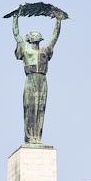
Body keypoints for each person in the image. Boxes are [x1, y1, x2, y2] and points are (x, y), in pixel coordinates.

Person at [12, 8, 62, 144]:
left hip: (42, 79)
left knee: (40, 108)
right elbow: (16, 35)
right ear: (30, 38)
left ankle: (37, 136)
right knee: (29, 107)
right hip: (31, 79)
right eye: (33, 35)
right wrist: (15, 19)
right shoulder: (26, 49)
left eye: (37, 35)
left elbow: (55, 37)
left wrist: (58, 20)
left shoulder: (45, 50)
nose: (35, 37)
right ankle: (29, 136)